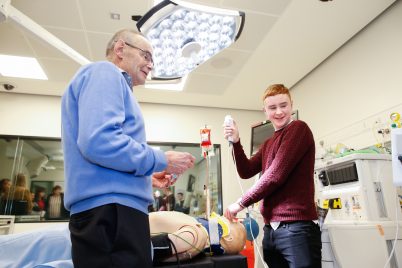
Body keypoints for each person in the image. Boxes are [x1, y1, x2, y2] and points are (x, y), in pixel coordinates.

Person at [61, 28, 195, 268]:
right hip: (111, 213)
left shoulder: (116, 87)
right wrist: (161, 159)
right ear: (120, 49)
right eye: (146, 55)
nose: (150, 64)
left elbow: (104, 151)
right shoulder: (105, 72)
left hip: (112, 210)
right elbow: (99, 142)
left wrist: (148, 176)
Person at [223, 84, 321, 268]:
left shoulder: (298, 129)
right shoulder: (268, 143)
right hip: (272, 230)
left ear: (292, 105)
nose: (279, 112)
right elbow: (246, 170)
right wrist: (236, 142)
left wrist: (241, 203)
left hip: (297, 228)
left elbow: (275, 175)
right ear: (265, 111)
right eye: (272, 108)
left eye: (283, 105)